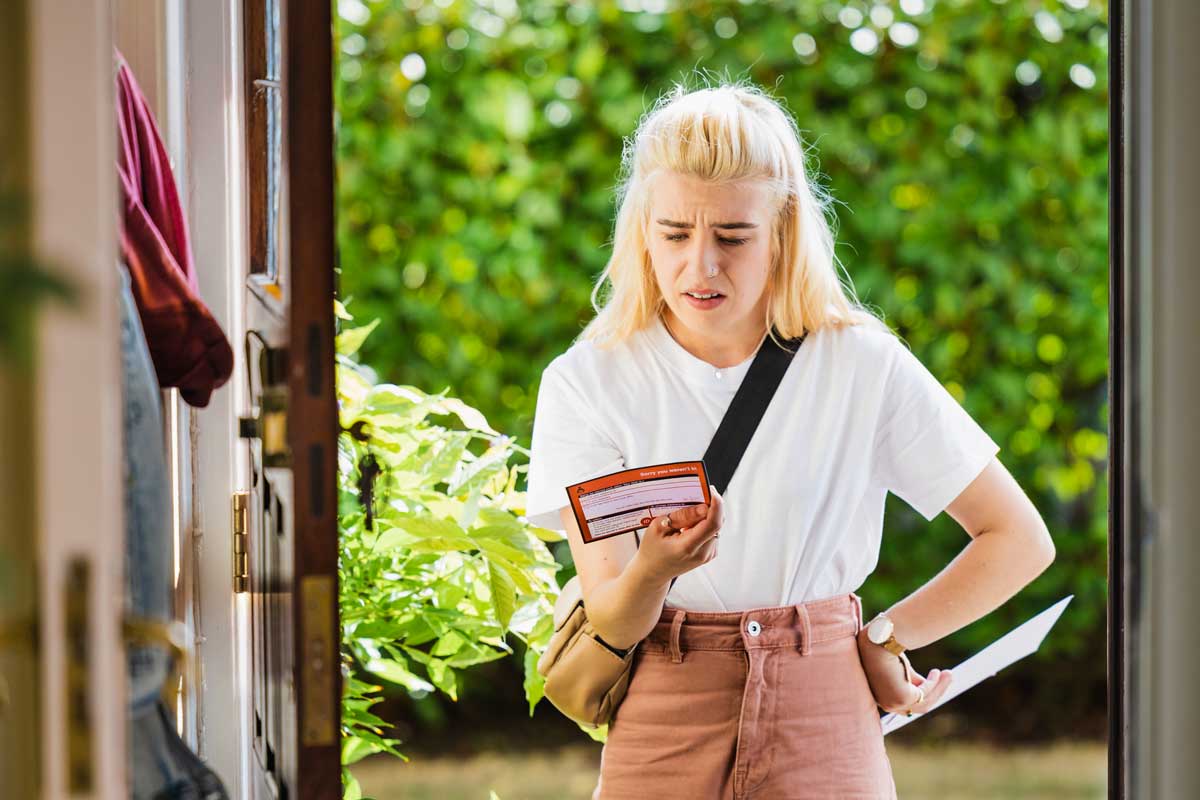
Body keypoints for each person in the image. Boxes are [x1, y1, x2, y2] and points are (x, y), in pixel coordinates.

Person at [524, 81, 1056, 799]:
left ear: (783, 230)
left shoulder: (862, 363)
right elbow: (610, 611)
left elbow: (1018, 538)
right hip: (664, 714)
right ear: (640, 229)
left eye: (733, 237)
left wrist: (884, 637)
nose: (700, 266)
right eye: (675, 234)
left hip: (826, 709)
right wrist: (653, 569)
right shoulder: (588, 381)